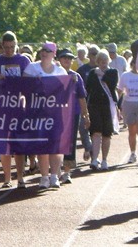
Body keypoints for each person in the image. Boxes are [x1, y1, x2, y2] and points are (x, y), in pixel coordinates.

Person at [0, 31, 31, 189]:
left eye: (12, 47)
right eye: (6, 47)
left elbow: (30, 81)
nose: (9, 50)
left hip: (19, 107)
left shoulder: (23, 60)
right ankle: (7, 178)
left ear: (16, 45)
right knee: (3, 145)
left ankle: (20, 178)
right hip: (0, 108)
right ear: (2, 46)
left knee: (19, 145)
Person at [23, 41, 67, 189]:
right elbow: (24, 87)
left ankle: (54, 176)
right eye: (42, 50)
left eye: (48, 50)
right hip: (37, 114)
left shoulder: (60, 71)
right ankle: (44, 177)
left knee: (55, 146)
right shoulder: (32, 67)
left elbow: (65, 93)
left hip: (55, 114)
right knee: (42, 146)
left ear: (54, 54)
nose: (44, 52)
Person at [57, 49, 91, 184]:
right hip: (56, 113)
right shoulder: (53, 74)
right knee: (56, 141)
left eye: (70, 58)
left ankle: (66, 172)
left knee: (70, 142)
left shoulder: (76, 77)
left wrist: (86, 115)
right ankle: (56, 170)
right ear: (59, 59)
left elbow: (82, 97)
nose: (67, 60)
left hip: (73, 113)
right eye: (64, 58)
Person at [86, 50, 119, 171]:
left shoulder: (113, 72)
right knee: (96, 132)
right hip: (94, 106)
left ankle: (105, 160)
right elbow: (88, 88)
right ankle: (94, 159)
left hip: (108, 106)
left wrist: (102, 74)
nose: (103, 63)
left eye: (105, 61)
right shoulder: (92, 73)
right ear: (97, 61)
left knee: (107, 134)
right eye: (101, 61)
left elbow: (112, 84)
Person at [77, 44, 100, 161]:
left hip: (98, 103)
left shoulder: (102, 70)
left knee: (95, 130)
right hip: (84, 102)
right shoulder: (82, 70)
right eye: (92, 53)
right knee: (83, 128)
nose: (94, 56)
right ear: (88, 55)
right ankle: (89, 148)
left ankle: (93, 154)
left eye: (96, 54)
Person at [118, 59, 138, 164]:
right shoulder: (125, 75)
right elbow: (120, 90)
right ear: (131, 64)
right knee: (132, 130)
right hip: (129, 104)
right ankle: (133, 153)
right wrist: (116, 105)